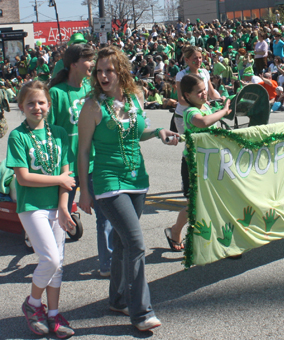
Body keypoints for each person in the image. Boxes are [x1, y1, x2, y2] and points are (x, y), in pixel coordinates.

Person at [77, 46, 179, 332]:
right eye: (99, 71)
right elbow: (83, 151)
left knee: (122, 244)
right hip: (108, 182)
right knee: (135, 244)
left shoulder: (135, 98)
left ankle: (119, 299)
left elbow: (139, 131)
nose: (104, 76)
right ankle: (141, 311)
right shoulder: (92, 106)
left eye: (109, 70)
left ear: (121, 70)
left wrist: (159, 132)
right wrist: (84, 191)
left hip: (137, 179)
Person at [7, 81, 76, 338]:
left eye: (41, 102)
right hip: (32, 206)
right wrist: (60, 180)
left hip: (55, 205)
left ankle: (53, 313)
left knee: (58, 267)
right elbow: (24, 178)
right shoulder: (18, 136)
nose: (37, 107)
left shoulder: (58, 132)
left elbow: (65, 172)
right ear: (22, 107)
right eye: (30, 103)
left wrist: (63, 207)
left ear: (48, 104)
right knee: (51, 259)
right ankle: (33, 304)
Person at [48, 43, 114, 277]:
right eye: (89, 60)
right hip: (66, 168)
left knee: (105, 215)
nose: (93, 65)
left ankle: (107, 264)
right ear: (74, 63)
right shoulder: (56, 94)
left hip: (93, 163)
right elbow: (49, 133)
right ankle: (53, 264)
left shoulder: (91, 89)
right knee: (58, 217)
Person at [164, 74, 231, 251]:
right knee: (194, 204)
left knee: (215, 200)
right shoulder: (190, 112)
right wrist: (223, 112)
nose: (204, 94)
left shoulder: (206, 107)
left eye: (204, 90)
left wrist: (223, 102)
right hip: (193, 164)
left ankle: (219, 239)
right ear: (187, 96)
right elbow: (201, 123)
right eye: (199, 92)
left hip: (211, 162)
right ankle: (176, 230)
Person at [173, 45, 223, 134]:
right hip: (184, 116)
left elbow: (211, 93)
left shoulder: (204, 72)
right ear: (186, 60)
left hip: (203, 113)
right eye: (195, 58)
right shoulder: (181, 75)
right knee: (192, 144)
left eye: (200, 58)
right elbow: (181, 100)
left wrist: (221, 99)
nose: (199, 61)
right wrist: (200, 102)